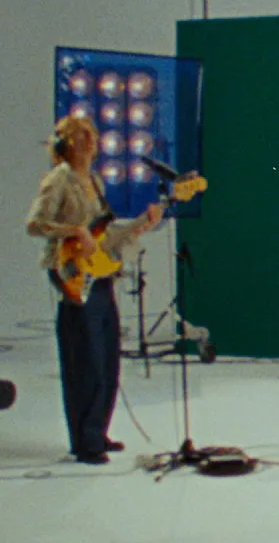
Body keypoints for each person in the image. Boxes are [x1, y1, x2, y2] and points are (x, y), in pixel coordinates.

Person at [24, 114, 164, 464]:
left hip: (99, 273)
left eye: (91, 135)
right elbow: (35, 224)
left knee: (107, 355)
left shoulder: (95, 181)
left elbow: (105, 234)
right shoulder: (59, 179)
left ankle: (98, 431)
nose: (89, 141)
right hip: (72, 272)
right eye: (80, 135)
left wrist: (141, 225)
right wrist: (73, 231)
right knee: (84, 358)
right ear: (65, 143)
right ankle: (85, 441)